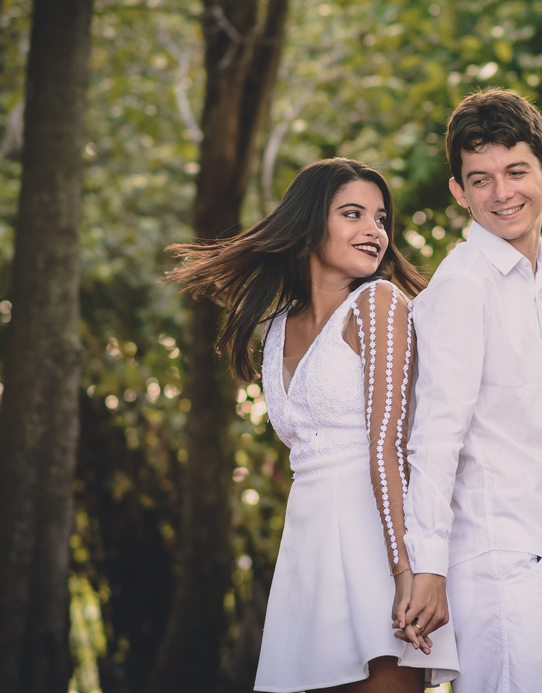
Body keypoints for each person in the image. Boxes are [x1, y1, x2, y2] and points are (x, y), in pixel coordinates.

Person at [167, 158, 459, 692]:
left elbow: (387, 445)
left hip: (378, 542)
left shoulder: (379, 303)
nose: (374, 230)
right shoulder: (275, 328)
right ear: (309, 223)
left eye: (380, 218)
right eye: (353, 214)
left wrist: (405, 571)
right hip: (309, 548)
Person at [399, 90, 542, 692]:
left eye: (516, 171)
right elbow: (434, 432)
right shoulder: (462, 284)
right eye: (481, 179)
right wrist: (428, 566)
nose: (502, 192)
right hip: (494, 553)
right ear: (459, 191)